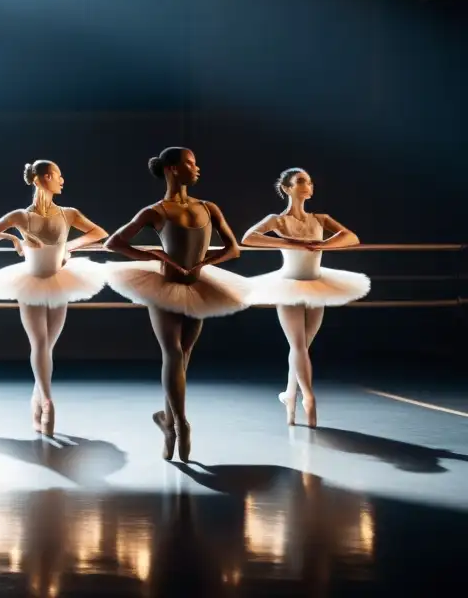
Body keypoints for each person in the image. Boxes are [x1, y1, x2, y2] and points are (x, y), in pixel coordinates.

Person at [104, 147, 247, 462]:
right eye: (190, 163)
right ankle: (181, 423)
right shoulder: (156, 211)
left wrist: (204, 263)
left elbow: (234, 248)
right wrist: (154, 254)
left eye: (196, 162)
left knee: (183, 356)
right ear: (171, 169)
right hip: (165, 287)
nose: (197, 168)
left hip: (197, 286)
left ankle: (167, 422)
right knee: (172, 353)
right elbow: (113, 242)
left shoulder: (208, 208)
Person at [0, 159, 108, 435]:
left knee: (48, 346)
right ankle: (47, 402)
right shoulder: (22, 217)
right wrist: (13, 240)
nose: (62, 180)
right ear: (45, 177)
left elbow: (99, 233)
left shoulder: (68, 214)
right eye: (58, 175)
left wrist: (71, 245)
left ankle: (37, 398)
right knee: (39, 342)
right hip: (31, 281)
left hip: (60, 280)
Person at [241, 167, 368, 428]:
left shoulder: (320, 219)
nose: (307, 185)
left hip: (317, 284)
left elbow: (351, 237)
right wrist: (291, 243)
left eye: (309, 181)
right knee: (298, 346)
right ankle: (309, 398)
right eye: (300, 181)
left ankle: (290, 396)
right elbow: (249, 238)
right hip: (288, 285)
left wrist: (323, 244)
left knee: (301, 348)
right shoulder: (277, 220)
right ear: (287, 188)